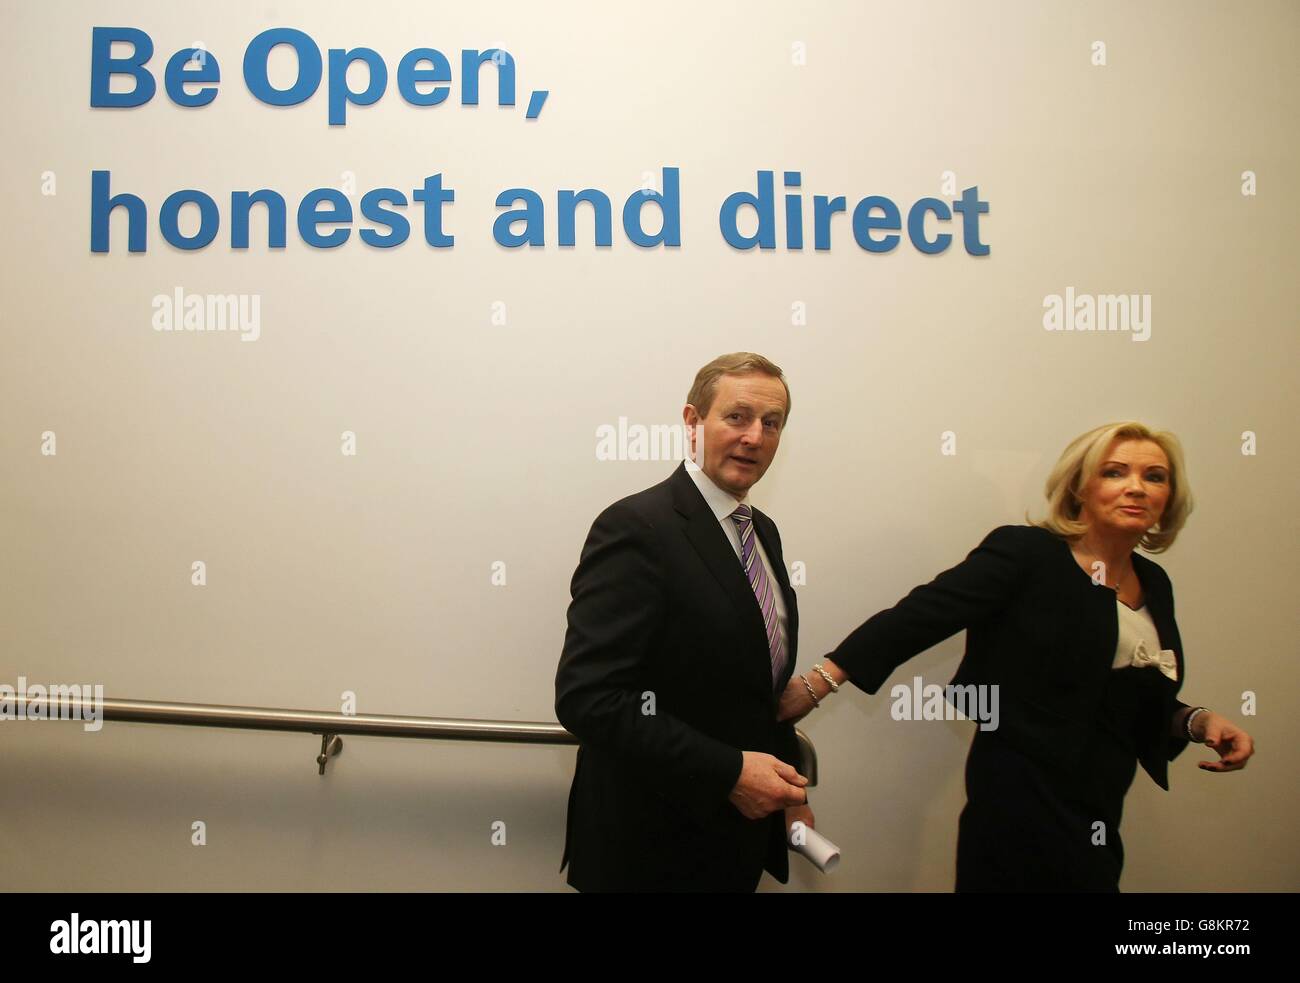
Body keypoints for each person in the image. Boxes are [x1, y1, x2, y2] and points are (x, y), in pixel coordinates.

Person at [779, 421, 1255, 891]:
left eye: (1155, 476)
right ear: (1079, 487)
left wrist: (1196, 721)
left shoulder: (1154, 583)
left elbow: (1119, 695)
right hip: (1018, 796)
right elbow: (920, 616)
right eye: (1115, 472)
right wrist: (820, 680)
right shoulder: (1029, 554)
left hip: (1101, 803)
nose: (1136, 488)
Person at [556, 352, 812, 891]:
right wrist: (729, 773)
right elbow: (588, 697)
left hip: (730, 845)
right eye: (737, 417)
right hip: (648, 850)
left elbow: (750, 692)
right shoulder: (637, 527)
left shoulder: (761, 532)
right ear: (693, 422)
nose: (754, 437)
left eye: (772, 424)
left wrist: (787, 798)